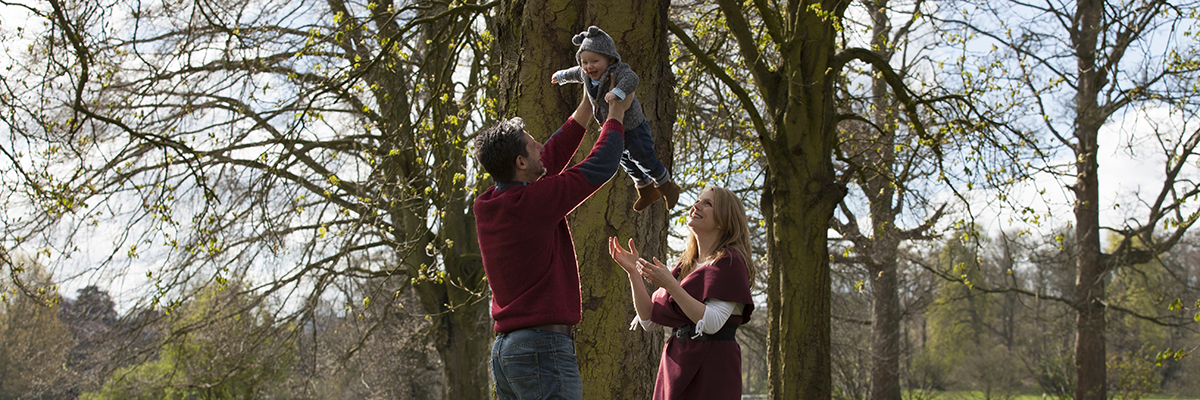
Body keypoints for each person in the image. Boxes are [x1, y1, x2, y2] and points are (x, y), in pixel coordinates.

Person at [473, 84, 635, 400]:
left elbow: (552, 154)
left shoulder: (489, 204)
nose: (540, 146)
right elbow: (601, 164)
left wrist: (590, 101)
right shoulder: (534, 202)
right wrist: (616, 112)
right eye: (533, 145)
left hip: (507, 353)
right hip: (541, 350)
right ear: (520, 163)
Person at [607, 186, 757, 399]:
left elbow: (712, 323)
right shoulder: (683, 267)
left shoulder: (730, 263)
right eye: (698, 200)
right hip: (675, 365)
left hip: (712, 370)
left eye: (708, 203)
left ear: (724, 220)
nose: (696, 206)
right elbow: (649, 320)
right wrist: (633, 273)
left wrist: (671, 286)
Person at [551, 25, 681, 212]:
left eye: (594, 61)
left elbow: (632, 79)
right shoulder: (585, 73)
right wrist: (561, 76)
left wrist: (617, 92)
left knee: (642, 157)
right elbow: (575, 73)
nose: (589, 67)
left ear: (609, 58)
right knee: (624, 160)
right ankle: (646, 190)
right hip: (613, 127)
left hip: (633, 126)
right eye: (584, 62)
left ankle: (666, 185)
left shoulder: (618, 70)